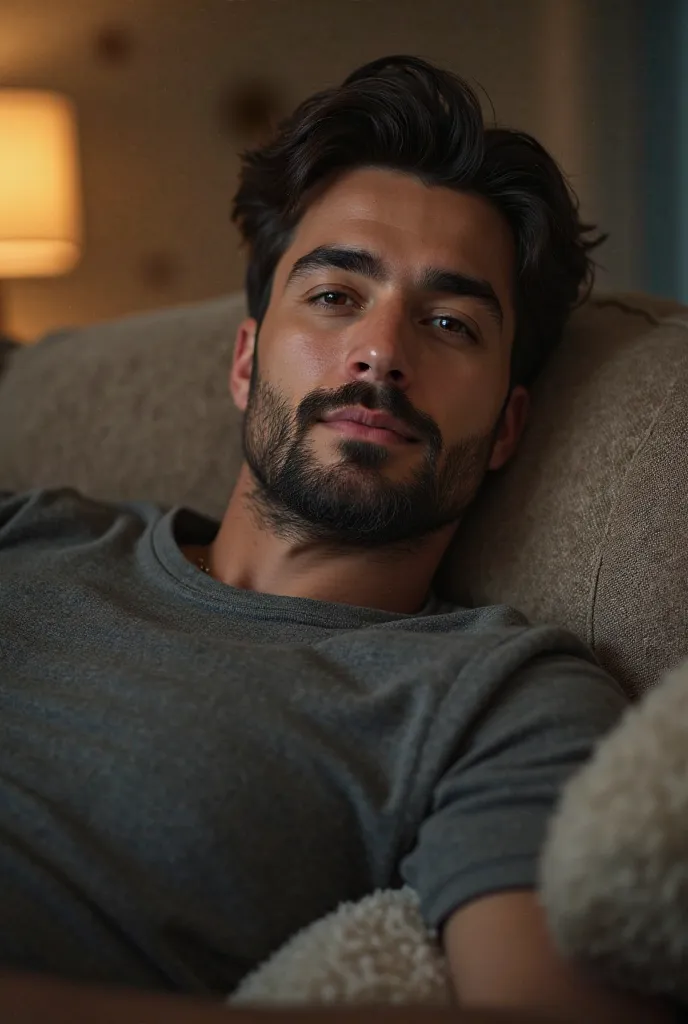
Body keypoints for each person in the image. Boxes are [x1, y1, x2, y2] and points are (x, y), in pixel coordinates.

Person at [0, 55, 674, 1024]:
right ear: (244, 360)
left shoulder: (493, 699)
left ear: (511, 428)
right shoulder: (34, 528)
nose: (382, 351)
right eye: (332, 296)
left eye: (448, 321)